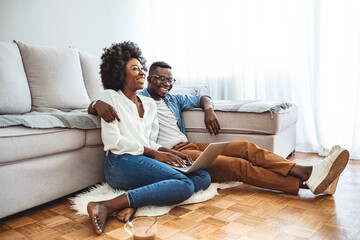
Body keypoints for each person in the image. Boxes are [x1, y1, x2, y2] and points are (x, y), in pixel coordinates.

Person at [89, 61, 349, 198]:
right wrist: (95, 103)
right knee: (238, 167)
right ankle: (307, 183)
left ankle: (308, 173)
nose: (166, 83)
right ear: (149, 79)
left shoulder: (174, 98)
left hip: (189, 145)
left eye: (170, 79)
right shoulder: (139, 97)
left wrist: (209, 109)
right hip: (171, 153)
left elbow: (203, 97)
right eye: (160, 78)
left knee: (246, 147)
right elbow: (110, 106)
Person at [87, 44, 211, 235]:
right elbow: (114, 142)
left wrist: (168, 152)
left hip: (144, 159)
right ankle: (105, 205)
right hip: (120, 162)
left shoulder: (148, 103)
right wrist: (154, 154)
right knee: (185, 185)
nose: (141, 72)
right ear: (120, 73)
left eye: (141, 68)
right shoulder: (110, 97)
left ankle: (136, 202)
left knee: (203, 176)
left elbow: (150, 141)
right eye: (134, 68)